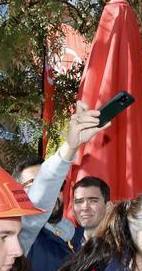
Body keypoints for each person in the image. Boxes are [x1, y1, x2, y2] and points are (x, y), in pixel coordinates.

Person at [14, 100, 105, 252]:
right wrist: (70, 147)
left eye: (58, 185)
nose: (52, 192)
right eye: (34, 184)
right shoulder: (19, 240)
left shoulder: (81, 239)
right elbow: (39, 203)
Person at [71, 176, 111, 240]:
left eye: (93, 201)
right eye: (79, 201)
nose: (85, 208)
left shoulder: (124, 242)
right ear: (73, 208)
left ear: (108, 206)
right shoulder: (63, 241)